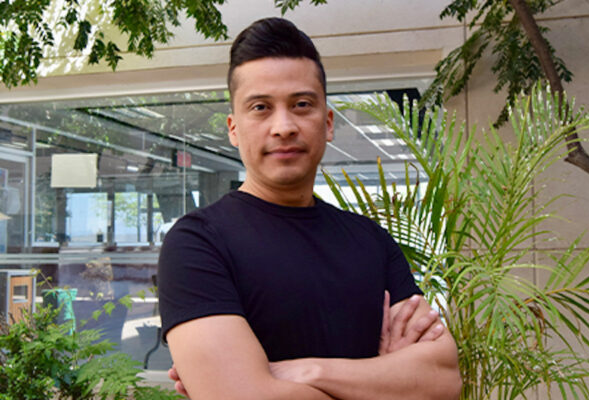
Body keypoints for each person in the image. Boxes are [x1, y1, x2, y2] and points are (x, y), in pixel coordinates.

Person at [158, 17, 462, 400]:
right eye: (261, 107)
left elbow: (442, 381)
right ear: (234, 129)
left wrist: (304, 371)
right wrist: (386, 382)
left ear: (328, 122)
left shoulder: (371, 240)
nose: (283, 126)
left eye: (301, 105)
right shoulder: (198, 243)